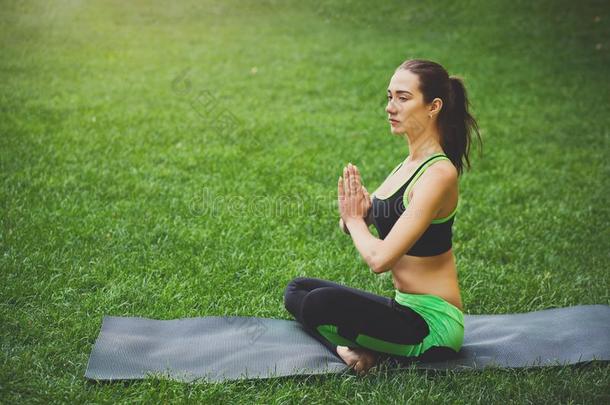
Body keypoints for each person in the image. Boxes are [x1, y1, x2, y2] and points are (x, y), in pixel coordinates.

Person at [284, 59, 483, 375]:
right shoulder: (407, 165)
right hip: (403, 307)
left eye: (403, 98)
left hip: (433, 327)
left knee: (319, 305)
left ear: (434, 107)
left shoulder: (439, 174)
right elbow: (356, 223)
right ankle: (350, 352)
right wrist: (355, 214)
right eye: (390, 96)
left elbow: (381, 260)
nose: (391, 107)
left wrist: (354, 220)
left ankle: (361, 351)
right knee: (298, 289)